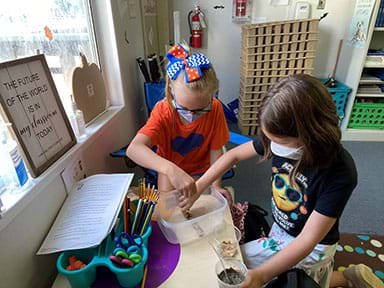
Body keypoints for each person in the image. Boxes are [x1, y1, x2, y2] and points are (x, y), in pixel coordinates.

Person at [188, 74, 383, 288]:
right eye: (269, 139)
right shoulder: (280, 136)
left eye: (280, 142)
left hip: (314, 246)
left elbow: (308, 240)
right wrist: (198, 188)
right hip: (282, 230)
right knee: (280, 275)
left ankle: (347, 278)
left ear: (312, 135)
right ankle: (347, 278)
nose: (271, 146)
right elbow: (231, 156)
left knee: (298, 280)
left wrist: (261, 275)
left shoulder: (340, 172)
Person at [126, 43, 231, 200]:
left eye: (201, 109)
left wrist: (216, 186)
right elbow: (133, 149)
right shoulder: (163, 111)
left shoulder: (215, 109)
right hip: (170, 169)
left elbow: (216, 150)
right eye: (184, 108)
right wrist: (170, 169)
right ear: (171, 92)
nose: (191, 115)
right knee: (169, 208)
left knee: (203, 204)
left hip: (203, 169)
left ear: (212, 97)